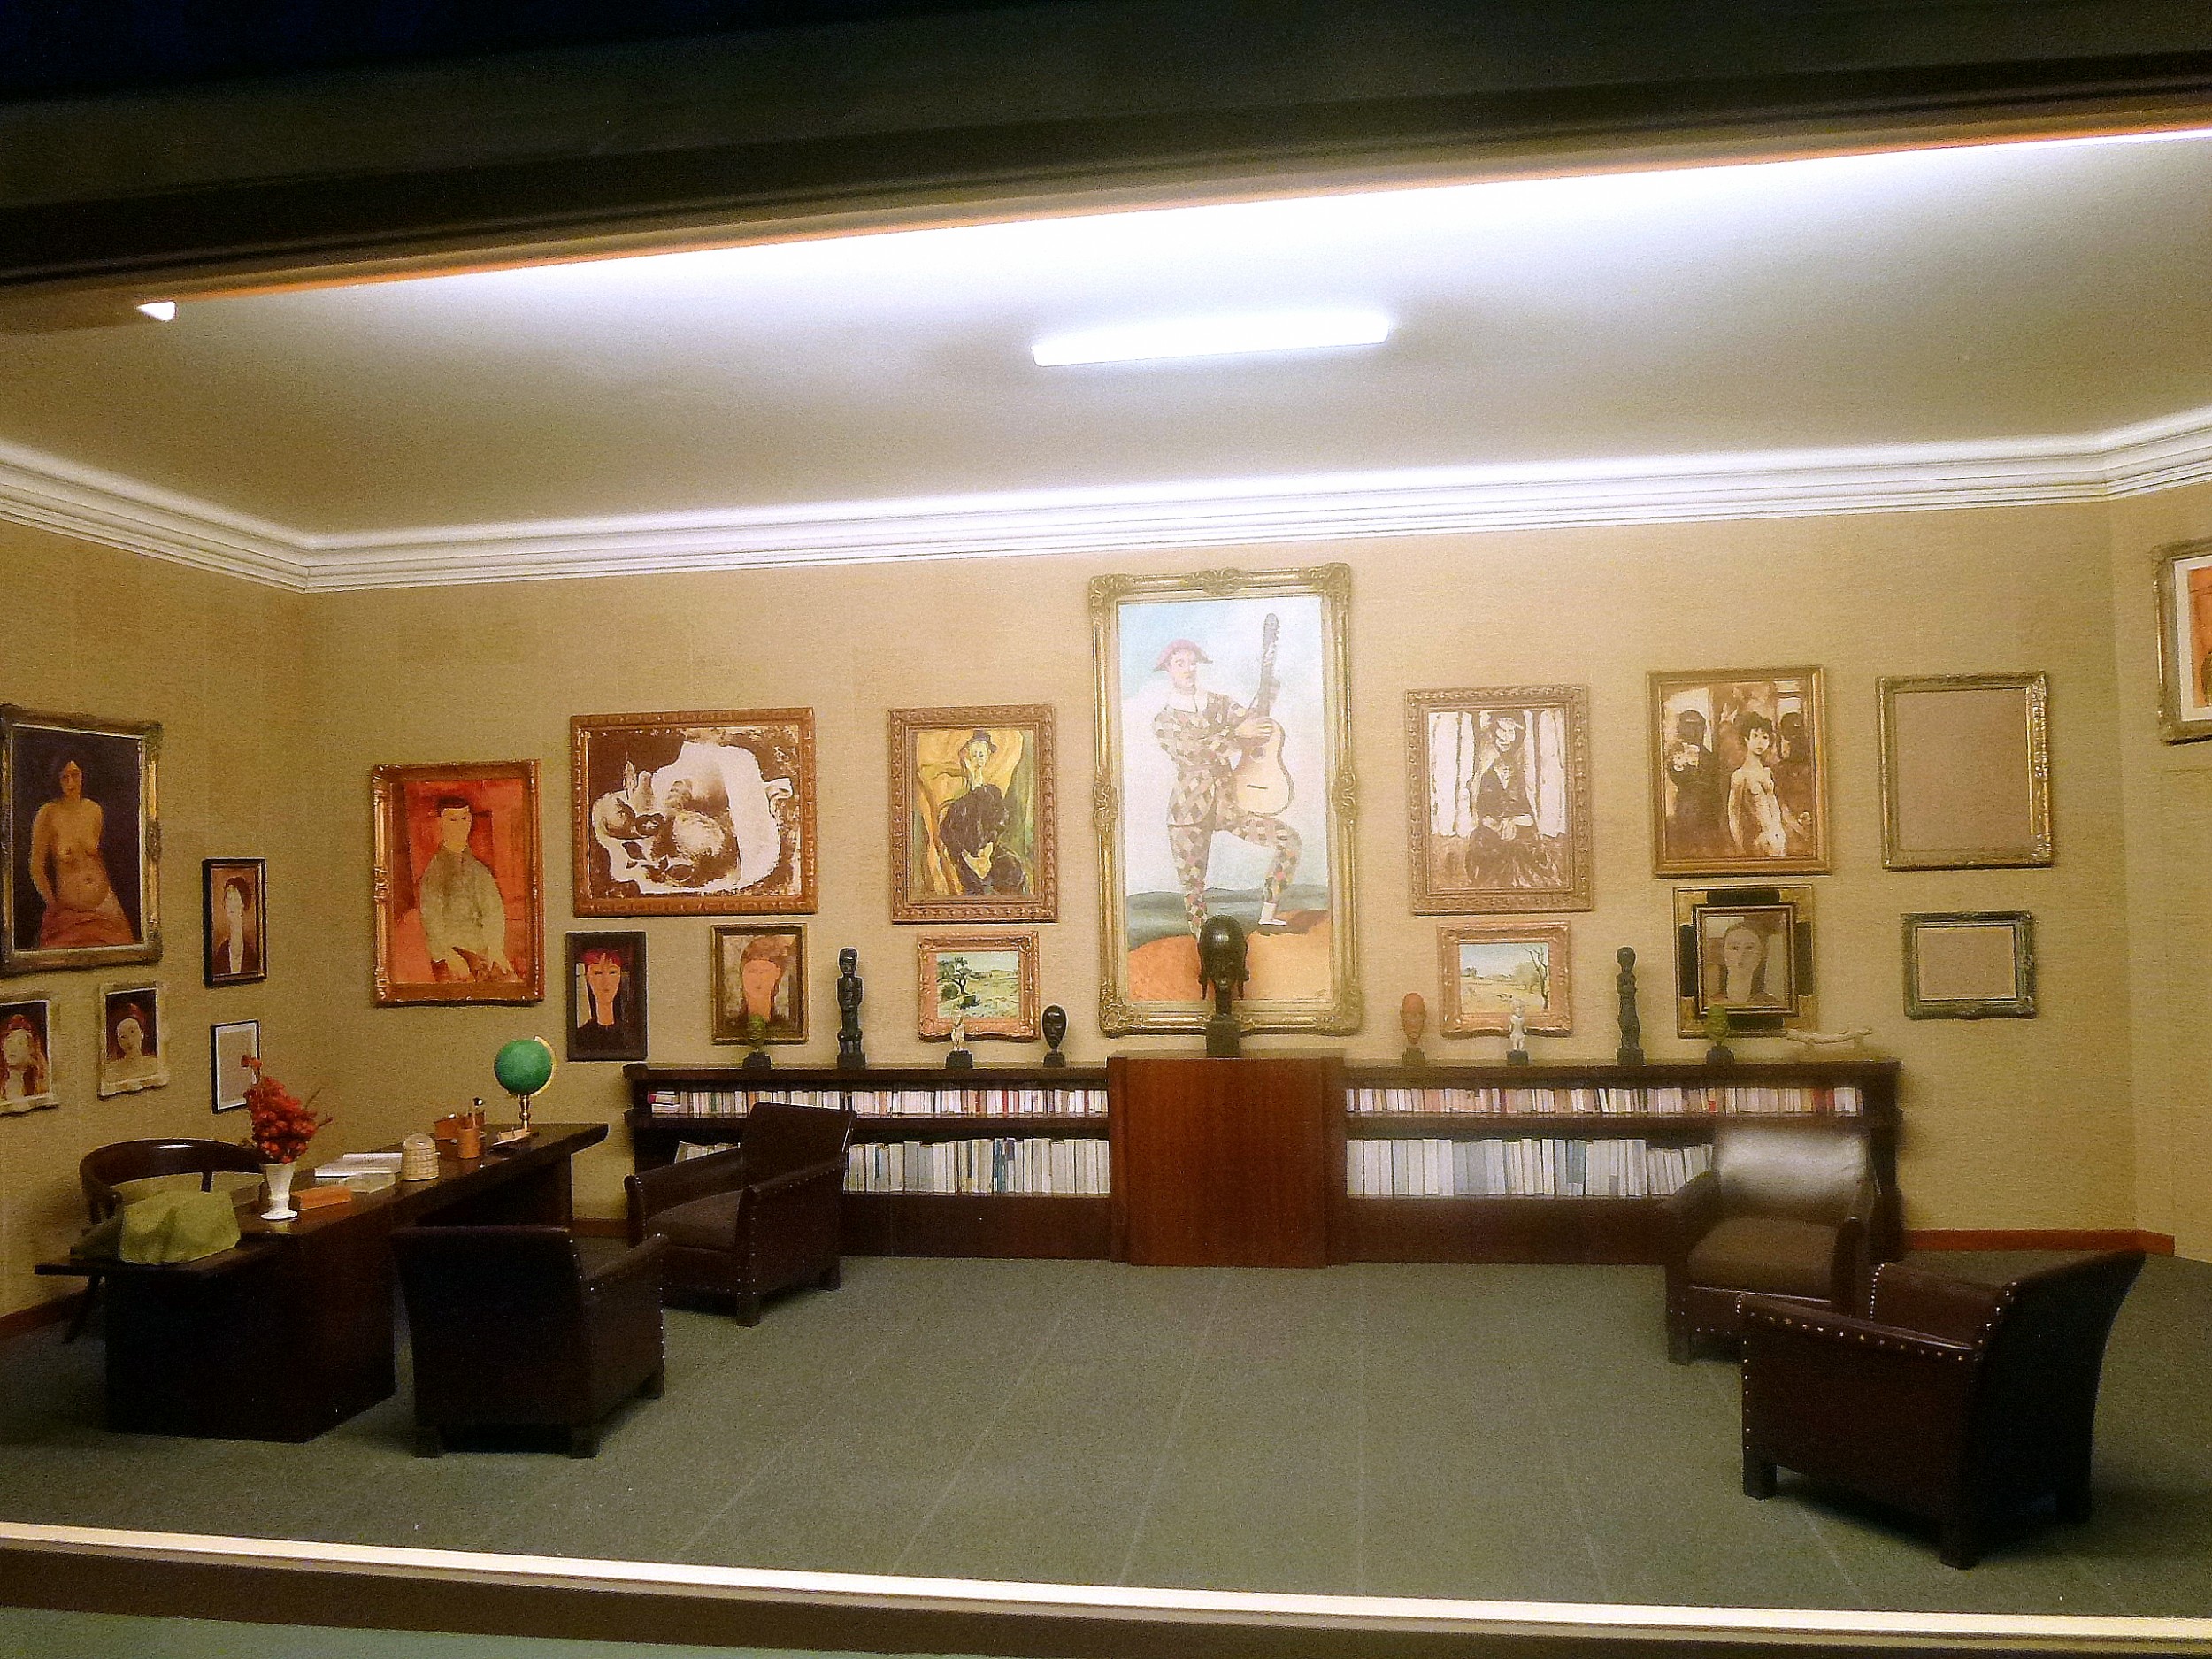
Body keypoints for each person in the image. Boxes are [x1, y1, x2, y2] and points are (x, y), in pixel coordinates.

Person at [1151, 637, 1300, 936]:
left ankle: (1268, 915)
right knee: (1193, 886)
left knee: (1290, 842)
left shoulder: (1219, 703)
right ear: (1168, 668)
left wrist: (1267, 687)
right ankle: (1202, 944)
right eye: (1180, 663)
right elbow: (1195, 754)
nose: (1188, 669)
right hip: (1189, 810)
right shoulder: (1163, 720)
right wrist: (1236, 736)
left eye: (1193, 663)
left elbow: (1255, 724)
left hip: (1231, 802)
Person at [27, 757, 134, 949]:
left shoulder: (94, 809)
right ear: (57, 780)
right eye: (64, 777)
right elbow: (36, 869)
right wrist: (53, 906)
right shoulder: (48, 814)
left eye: (75, 775)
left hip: (106, 907)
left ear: (83, 775)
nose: (71, 783)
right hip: (69, 914)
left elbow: (98, 859)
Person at [418, 796, 513, 981]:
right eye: (453, 820)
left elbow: (493, 911)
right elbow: (431, 921)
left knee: (510, 982)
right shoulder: (434, 872)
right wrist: (448, 954)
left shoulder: (479, 870)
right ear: (440, 823)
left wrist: (495, 948)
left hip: (483, 949)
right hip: (452, 952)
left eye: (465, 818)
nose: (460, 826)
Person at [1463, 711, 1553, 890]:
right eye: (1501, 732)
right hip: (1492, 829)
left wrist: (1512, 821)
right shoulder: (1486, 775)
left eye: (1510, 732)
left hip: (1522, 827)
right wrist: (1496, 825)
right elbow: (1482, 813)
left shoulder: (1524, 774)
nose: (1504, 738)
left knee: (1518, 848)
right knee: (1492, 848)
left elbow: (1531, 816)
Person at [934, 730, 1026, 895]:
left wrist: (989, 847)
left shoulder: (992, 793)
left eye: (981, 755)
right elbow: (948, 833)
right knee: (979, 887)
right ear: (966, 758)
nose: (978, 760)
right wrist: (967, 856)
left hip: (990, 851)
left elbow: (1000, 820)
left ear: (988, 756)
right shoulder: (958, 804)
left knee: (1014, 870)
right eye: (974, 755)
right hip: (968, 857)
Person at [1725, 711, 1790, 858]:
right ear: (1746, 739)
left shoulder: (1768, 772)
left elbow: (1781, 807)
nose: (1760, 742)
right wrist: (1740, 847)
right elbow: (1733, 815)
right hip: (1758, 841)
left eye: (1765, 737)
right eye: (1755, 736)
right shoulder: (1740, 775)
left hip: (1779, 837)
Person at [1663, 710, 1724, 861]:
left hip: (1709, 815)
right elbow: (1677, 777)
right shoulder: (1674, 757)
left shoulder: (1712, 758)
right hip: (1686, 812)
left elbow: (1717, 788)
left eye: (1698, 726)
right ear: (1681, 729)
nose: (1694, 731)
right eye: (1689, 726)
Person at [1772, 710, 1816, 856]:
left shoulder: (1813, 767)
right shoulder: (1781, 769)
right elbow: (1781, 804)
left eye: (1797, 733)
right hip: (1789, 823)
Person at [1711, 920, 1783, 1007]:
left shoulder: (1770, 1004)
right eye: (1734, 948)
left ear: (1762, 952)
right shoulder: (1710, 1003)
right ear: (1723, 951)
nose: (1741, 955)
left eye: (1749, 948)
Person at [573, 945, 631, 1051]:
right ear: (588, 977)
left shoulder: (630, 1035)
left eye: (612, 972)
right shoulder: (580, 1036)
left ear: (620, 976)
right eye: (598, 973)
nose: (606, 981)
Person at [104, 1002, 161, 1086]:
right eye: (123, 1036)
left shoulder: (155, 1065)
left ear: (142, 1033)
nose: (129, 1040)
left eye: (132, 1032)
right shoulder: (111, 1071)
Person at [213, 872, 258, 978]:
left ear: (242, 904)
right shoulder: (220, 954)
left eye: (235, 899)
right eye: (228, 900)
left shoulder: (252, 955)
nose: (231, 905)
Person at [0, 1012, 50, 1102]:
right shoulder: (3, 1084)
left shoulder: (40, 1083)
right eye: (9, 1042)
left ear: (30, 1050)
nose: (13, 1048)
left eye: (20, 1043)